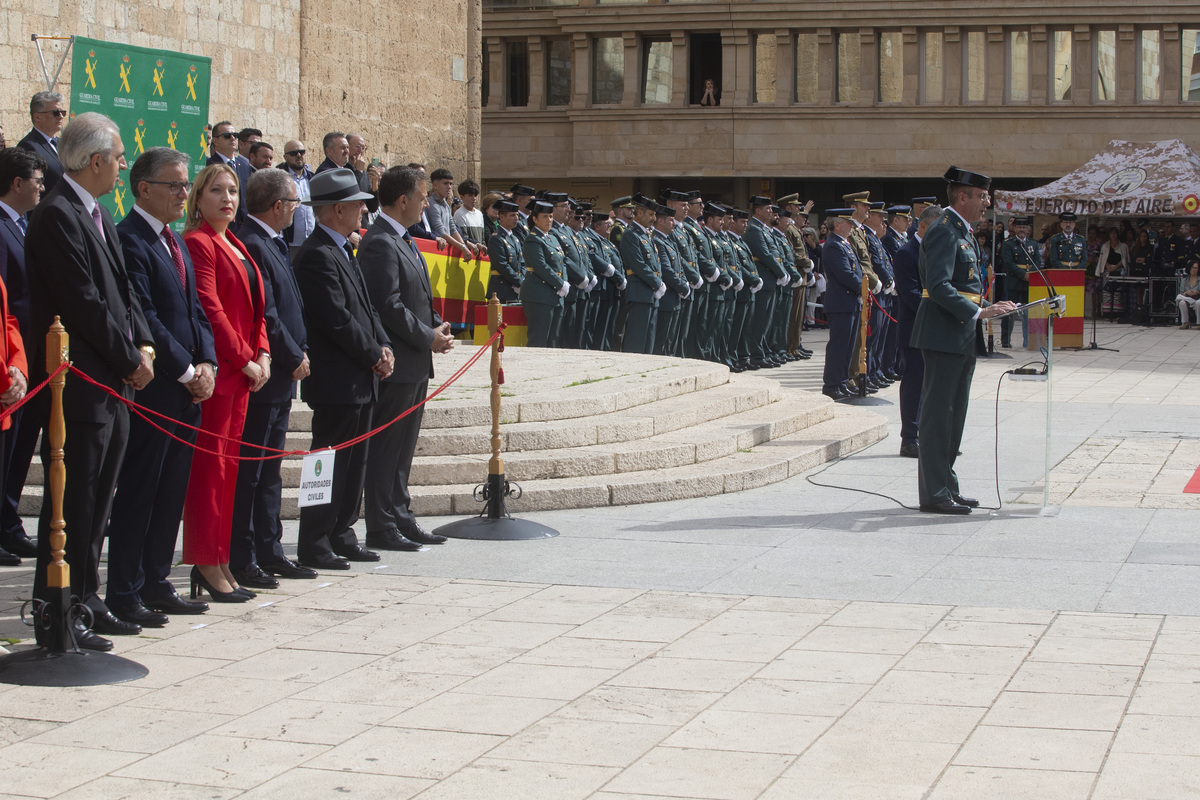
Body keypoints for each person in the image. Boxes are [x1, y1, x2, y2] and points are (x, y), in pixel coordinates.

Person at [25, 112, 153, 650]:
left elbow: (123, 293)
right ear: (95, 160)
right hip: (80, 384)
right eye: (119, 156)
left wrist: (143, 342)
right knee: (73, 502)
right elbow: (83, 304)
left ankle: (89, 597)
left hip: (113, 381)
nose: (124, 164)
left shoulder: (97, 211)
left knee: (100, 499)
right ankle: (60, 608)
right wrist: (129, 359)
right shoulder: (57, 215)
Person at [107, 148, 217, 625]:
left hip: (188, 387)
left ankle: (156, 580)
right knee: (140, 492)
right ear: (143, 188)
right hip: (157, 389)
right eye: (173, 185)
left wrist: (208, 360)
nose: (182, 193)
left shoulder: (175, 242)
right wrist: (188, 371)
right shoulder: (129, 240)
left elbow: (194, 312)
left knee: (171, 491)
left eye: (184, 184)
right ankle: (124, 590)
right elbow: (144, 315)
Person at [293, 168, 393, 570]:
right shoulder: (316, 254)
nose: (363, 214)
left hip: (361, 379)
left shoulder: (343, 249)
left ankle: (342, 531)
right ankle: (314, 539)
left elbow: (367, 310)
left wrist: (383, 345)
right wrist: (372, 353)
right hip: (338, 382)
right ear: (337, 210)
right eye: (357, 207)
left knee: (355, 464)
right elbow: (336, 320)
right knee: (327, 465)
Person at [182, 163, 271, 602]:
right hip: (221, 374)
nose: (227, 198)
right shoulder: (198, 244)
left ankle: (220, 559)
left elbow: (258, 306)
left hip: (244, 374)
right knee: (209, 470)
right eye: (216, 190)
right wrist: (243, 358)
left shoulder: (235, 242)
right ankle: (204, 560)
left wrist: (265, 351)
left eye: (233, 190)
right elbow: (210, 309)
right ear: (198, 198)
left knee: (229, 469)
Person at [360, 167, 455, 550]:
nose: (426, 203)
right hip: (397, 363)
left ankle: (401, 515)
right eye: (421, 197)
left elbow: (416, 298)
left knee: (404, 449)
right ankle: (382, 525)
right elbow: (388, 305)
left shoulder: (404, 238)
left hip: (415, 361)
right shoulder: (381, 241)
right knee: (388, 450)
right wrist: (425, 336)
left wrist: (435, 327)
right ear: (402, 201)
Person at [912, 167, 1016, 515]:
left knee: (954, 416)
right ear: (962, 197)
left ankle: (947, 486)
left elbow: (965, 291)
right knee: (938, 416)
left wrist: (990, 307)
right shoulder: (944, 231)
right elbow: (939, 287)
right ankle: (933, 493)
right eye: (982, 196)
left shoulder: (963, 232)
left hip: (959, 334)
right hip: (942, 333)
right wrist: (980, 314)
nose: (987, 202)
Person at [231, 168, 315, 585]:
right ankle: (244, 555)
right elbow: (268, 314)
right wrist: (291, 355)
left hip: (282, 375)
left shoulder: (272, 242)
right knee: (253, 469)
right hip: (269, 373)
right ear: (278, 205)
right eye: (294, 203)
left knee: (269, 469)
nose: (296, 211)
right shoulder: (253, 243)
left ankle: (270, 547)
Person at [0, 147, 44, 562]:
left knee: (20, 447)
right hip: (12, 357)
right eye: (37, 181)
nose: (41, 188)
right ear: (17, 183)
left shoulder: (25, 225)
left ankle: (9, 521)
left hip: (29, 357)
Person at [894, 204, 941, 457]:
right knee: (914, 384)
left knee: (933, 386)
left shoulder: (938, 250)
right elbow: (911, 294)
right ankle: (909, 438)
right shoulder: (906, 253)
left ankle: (930, 435)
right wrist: (941, 306)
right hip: (915, 329)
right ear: (923, 226)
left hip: (937, 330)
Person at [820, 209, 862, 400]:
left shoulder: (844, 244)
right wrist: (863, 287)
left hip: (850, 302)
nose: (852, 226)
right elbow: (845, 274)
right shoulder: (833, 245)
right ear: (837, 224)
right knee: (839, 345)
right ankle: (831, 385)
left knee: (848, 346)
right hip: (840, 302)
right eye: (848, 222)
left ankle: (842, 381)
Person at [619, 194, 665, 354]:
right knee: (637, 341)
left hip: (650, 294)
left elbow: (655, 264)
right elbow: (638, 265)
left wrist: (658, 282)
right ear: (640, 213)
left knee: (649, 341)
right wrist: (657, 282)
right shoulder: (630, 235)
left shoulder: (646, 235)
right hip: (640, 293)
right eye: (651, 214)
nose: (654, 218)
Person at [520, 199, 568, 347]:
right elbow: (541, 266)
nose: (549, 220)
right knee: (539, 339)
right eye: (545, 217)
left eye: (551, 217)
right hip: (539, 295)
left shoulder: (552, 238)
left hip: (554, 295)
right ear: (534, 219)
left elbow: (562, 262)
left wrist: (564, 282)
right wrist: (560, 284)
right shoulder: (533, 240)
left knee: (553, 340)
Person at [999, 216, 1040, 349]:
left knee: (1029, 312)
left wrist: (1031, 274)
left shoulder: (1033, 244)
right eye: (1019, 227)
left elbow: (1038, 261)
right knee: (1009, 312)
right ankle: (1005, 340)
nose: (1022, 230)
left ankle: (1028, 341)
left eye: (1024, 227)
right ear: (1014, 228)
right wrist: (1023, 274)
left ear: (1028, 229)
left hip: (1029, 282)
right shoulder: (1009, 244)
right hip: (1014, 281)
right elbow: (1009, 262)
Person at [206, 121, 253, 228]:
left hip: (243, 229)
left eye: (235, 135)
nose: (233, 139)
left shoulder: (245, 166)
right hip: (220, 226)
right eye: (227, 136)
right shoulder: (209, 166)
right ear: (215, 141)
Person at [17, 91, 66, 193]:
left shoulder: (63, 144)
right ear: (37, 117)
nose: (61, 116)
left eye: (63, 112)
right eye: (55, 112)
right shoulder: (28, 146)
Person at [279, 140, 316, 255]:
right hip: (290, 243)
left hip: (311, 242)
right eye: (294, 153)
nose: (299, 155)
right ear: (285, 157)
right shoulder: (280, 177)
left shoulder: (312, 178)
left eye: (301, 152)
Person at [486, 198, 524, 302]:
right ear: (501, 217)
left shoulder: (515, 238)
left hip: (516, 291)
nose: (516, 218)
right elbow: (501, 265)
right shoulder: (496, 238)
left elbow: (522, 263)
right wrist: (519, 281)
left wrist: (523, 280)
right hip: (501, 291)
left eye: (517, 215)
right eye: (512, 215)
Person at [453, 180, 485, 244]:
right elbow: (464, 237)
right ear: (462, 197)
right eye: (470, 195)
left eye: (475, 195)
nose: (474, 198)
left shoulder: (479, 214)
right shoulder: (459, 214)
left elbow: (482, 238)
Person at [1176, 260, 1200, 329]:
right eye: (1193, 268)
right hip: (1187, 298)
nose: (1194, 270)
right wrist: (1187, 293)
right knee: (1182, 302)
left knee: (1198, 303)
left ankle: (1199, 323)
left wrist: (1197, 292)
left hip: (1197, 298)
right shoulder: (1184, 280)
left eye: (1196, 268)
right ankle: (1185, 322)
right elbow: (1182, 292)